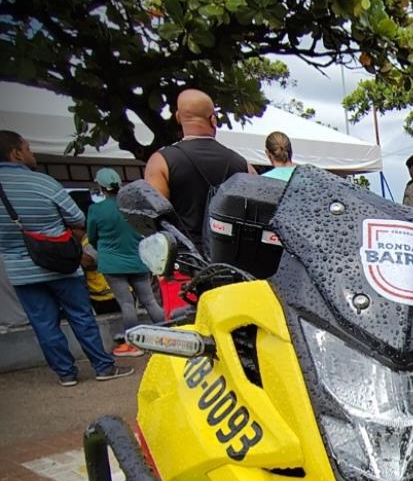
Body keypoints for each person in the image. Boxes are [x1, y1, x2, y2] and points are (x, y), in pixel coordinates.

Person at [0, 131, 131, 385]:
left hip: (20, 271)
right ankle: (103, 367)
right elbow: (77, 220)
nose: (32, 153)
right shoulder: (43, 183)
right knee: (81, 315)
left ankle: (66, 374)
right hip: (62, 265)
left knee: (44, 324)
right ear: (16, 153)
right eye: (28, 148)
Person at [144, 89, 252, 242]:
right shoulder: (243, 164)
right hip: (230, 260)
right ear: (213, 119)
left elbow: (154, 219)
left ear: (178, 117)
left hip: (185, 259)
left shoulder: (160, 161)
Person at [86, 167, 164, 356]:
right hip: (138, 259)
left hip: (112, 263)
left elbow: (92, 237)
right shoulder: (131, 206)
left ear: (101, 186)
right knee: (150, 301)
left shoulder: (96, 209)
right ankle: (167, 338)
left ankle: (133, 345)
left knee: (127, 304)